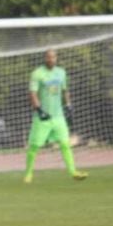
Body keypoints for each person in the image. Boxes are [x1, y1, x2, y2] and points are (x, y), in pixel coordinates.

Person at [24, 49, 88, 182]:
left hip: (58, 116)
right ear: (45, 58)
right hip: (43, 117)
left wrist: (69, 105)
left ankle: (73, 172)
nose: (51, 59)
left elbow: (65, 90)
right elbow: (33, 93)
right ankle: (28, 174)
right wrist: (39, 109)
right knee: (34, 146)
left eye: (53, 57)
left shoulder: (61, 72)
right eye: (49, 57)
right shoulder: (37, 73)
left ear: (56, 58)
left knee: (65, 144)